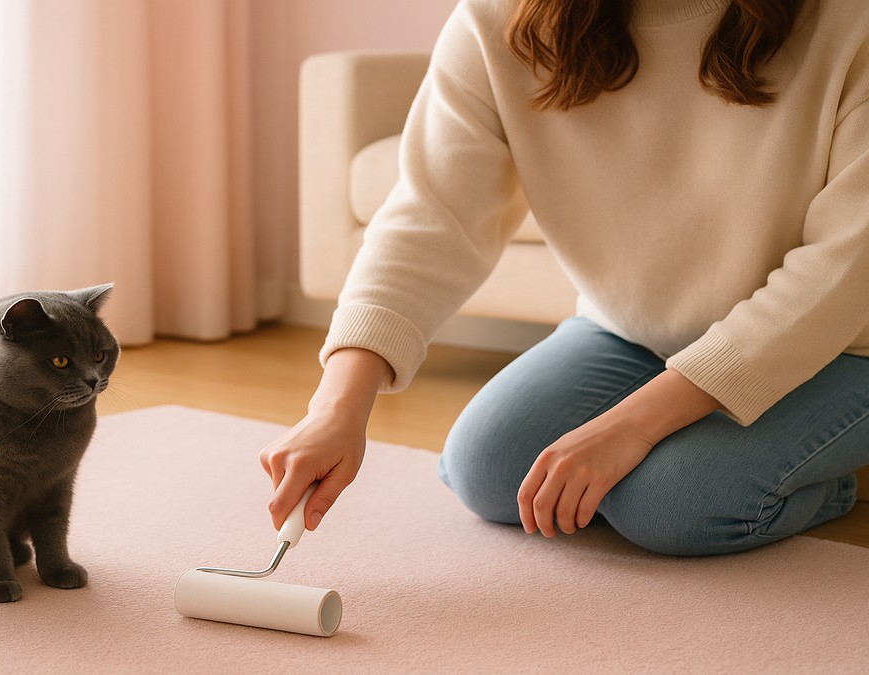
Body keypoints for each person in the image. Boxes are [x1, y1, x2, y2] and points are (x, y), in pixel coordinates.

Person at [261, 0, 869, 556]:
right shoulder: (498, 18)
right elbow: (431, 214)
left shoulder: (847, 19)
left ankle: (832, 478)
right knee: (488, 469)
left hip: (843, 345)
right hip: (632, 332)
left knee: (674, 503)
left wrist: (631, 426)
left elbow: (845, 271)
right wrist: (336, 405)